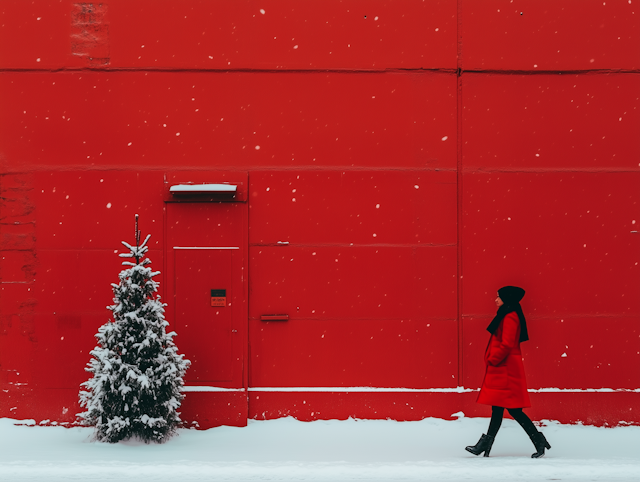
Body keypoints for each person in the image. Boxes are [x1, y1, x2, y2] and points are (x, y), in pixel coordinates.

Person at [465, 286, 551, 458]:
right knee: (498, 409)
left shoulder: (510, 316)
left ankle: (537, 440)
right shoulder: (506, 314)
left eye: (498, 297)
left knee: (514, 410)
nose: (495, 300)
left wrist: (493, 359)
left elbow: (507, 344)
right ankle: (485, 445)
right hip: (503, 369)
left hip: (506, 370)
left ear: (507, 298)